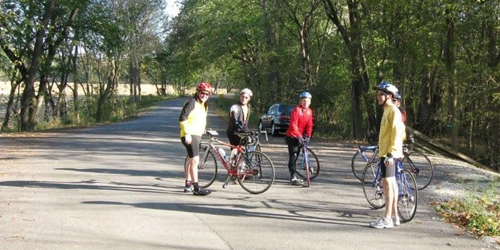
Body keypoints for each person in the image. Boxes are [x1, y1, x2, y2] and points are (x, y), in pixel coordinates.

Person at [370, 82, 406, 229]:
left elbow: (397, 134)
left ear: (389, 96)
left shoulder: (393, 111)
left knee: (388, 185)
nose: (378, 97)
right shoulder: (386, 110)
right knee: (390, 184)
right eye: (378, 94)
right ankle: (395, 216)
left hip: (389, 154)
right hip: (385, 152)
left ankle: (387, 219)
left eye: (381, 94)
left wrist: (391, 153)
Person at [179, 82, 213, 196]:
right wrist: (187, 133)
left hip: (197, 134)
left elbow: (197, 119)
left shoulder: (203, 104)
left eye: (207, 94)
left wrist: (203, 129)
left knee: (190, 159)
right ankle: (196, 188)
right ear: (197, 92)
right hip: (190, 134)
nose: (205, 95)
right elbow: (182, 117)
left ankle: (188, 184)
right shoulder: (191, 102)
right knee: (195, 160)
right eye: (202, 93)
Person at [285, 91, 314, 186]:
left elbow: (309, 124)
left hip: (300, 135)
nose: (306, 103)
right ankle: (292, 176)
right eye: (304, 101)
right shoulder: (297, 110)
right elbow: (293, 125)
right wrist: (299, 135)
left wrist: (308, 135)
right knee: (293, 155)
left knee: (298, 155)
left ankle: (299, 168)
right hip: (292, 135)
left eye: (308, 101)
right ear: (301, 101)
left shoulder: (309, 111)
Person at [226, 88, 253, 156]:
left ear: (249, 98)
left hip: (241, 132)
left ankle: (241, 164)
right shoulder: (234, 107)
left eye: (246, 97)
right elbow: (235, 122)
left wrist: (248, 131)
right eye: (242, 96)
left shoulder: (248, 107)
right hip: (233, 133)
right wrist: (244, 131)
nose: (244, 99)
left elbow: (245, 123)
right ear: (239, 96)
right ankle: (233, 164)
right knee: (235, 152)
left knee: (244, 151)